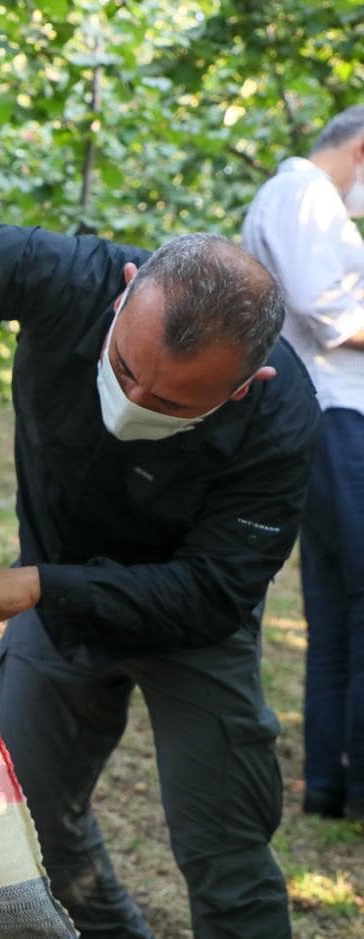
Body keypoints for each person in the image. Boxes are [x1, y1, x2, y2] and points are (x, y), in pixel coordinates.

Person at [0, 220, 321, 938]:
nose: (134, 401)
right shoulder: (71, 276)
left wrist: (41, 585)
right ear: (126, 295)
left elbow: (213, 592)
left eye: (172, 404)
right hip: (58, 613)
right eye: (126, 369)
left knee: (224, 851)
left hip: (189, 626)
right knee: (28, 824)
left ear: (250, 384)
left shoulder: (284, 420)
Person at [241, 105, 364, 823]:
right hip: (333, 419)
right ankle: (343, 777)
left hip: (331, 418)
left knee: (341, 608)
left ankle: (334, 783)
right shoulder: (303, 196)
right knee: (352, 604)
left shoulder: (312, 201)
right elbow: (332, 312)